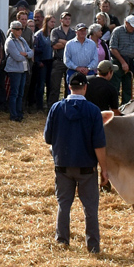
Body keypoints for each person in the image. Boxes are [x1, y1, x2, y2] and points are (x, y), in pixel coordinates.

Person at [44, 74, 111, 254]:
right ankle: (93, 247)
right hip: (87, 167)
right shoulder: (93, 111)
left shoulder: (56, 108)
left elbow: (47, 138)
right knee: (90, 207)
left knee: (63, 205)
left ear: (68, 86)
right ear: (85, 88)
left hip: (63, 165)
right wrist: (104, 169)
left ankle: (62, 242)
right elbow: (99, 144)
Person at [107, 16, 134, 104]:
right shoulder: (117, 31)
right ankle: (114, 106)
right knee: (115, 86)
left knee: (128, 86)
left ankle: (126, 106)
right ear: (126, 23)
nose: (133, 28)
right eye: (131, 26)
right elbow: (113, 48)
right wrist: (123, 62)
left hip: (130, 60)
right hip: (118, 60)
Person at [4, 21, 31, 122]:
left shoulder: (22, 40)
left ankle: (19, 112)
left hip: (23, 69)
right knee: (14, 93)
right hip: (14, 70)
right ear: (12, 30)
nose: (20, 31)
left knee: (20, 93)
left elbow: (31, 52)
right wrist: (26, 54)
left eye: (21, 29)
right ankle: (13, 114)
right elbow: (17, 57)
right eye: (17, 29)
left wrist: (25, 54)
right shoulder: (10, 41)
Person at [47, 12, 75, 107]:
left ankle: (67, 107)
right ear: (61, 20)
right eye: (65, 18)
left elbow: (74, 46)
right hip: (58, 61)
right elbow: (54, 45)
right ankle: (52, 107)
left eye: (69, 19)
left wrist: (61, 41)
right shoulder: (55, 31)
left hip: (70, 62)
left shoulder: (73, 32)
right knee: (55, 86)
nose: (67, 20)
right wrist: (67, 43)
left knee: (69, 87)